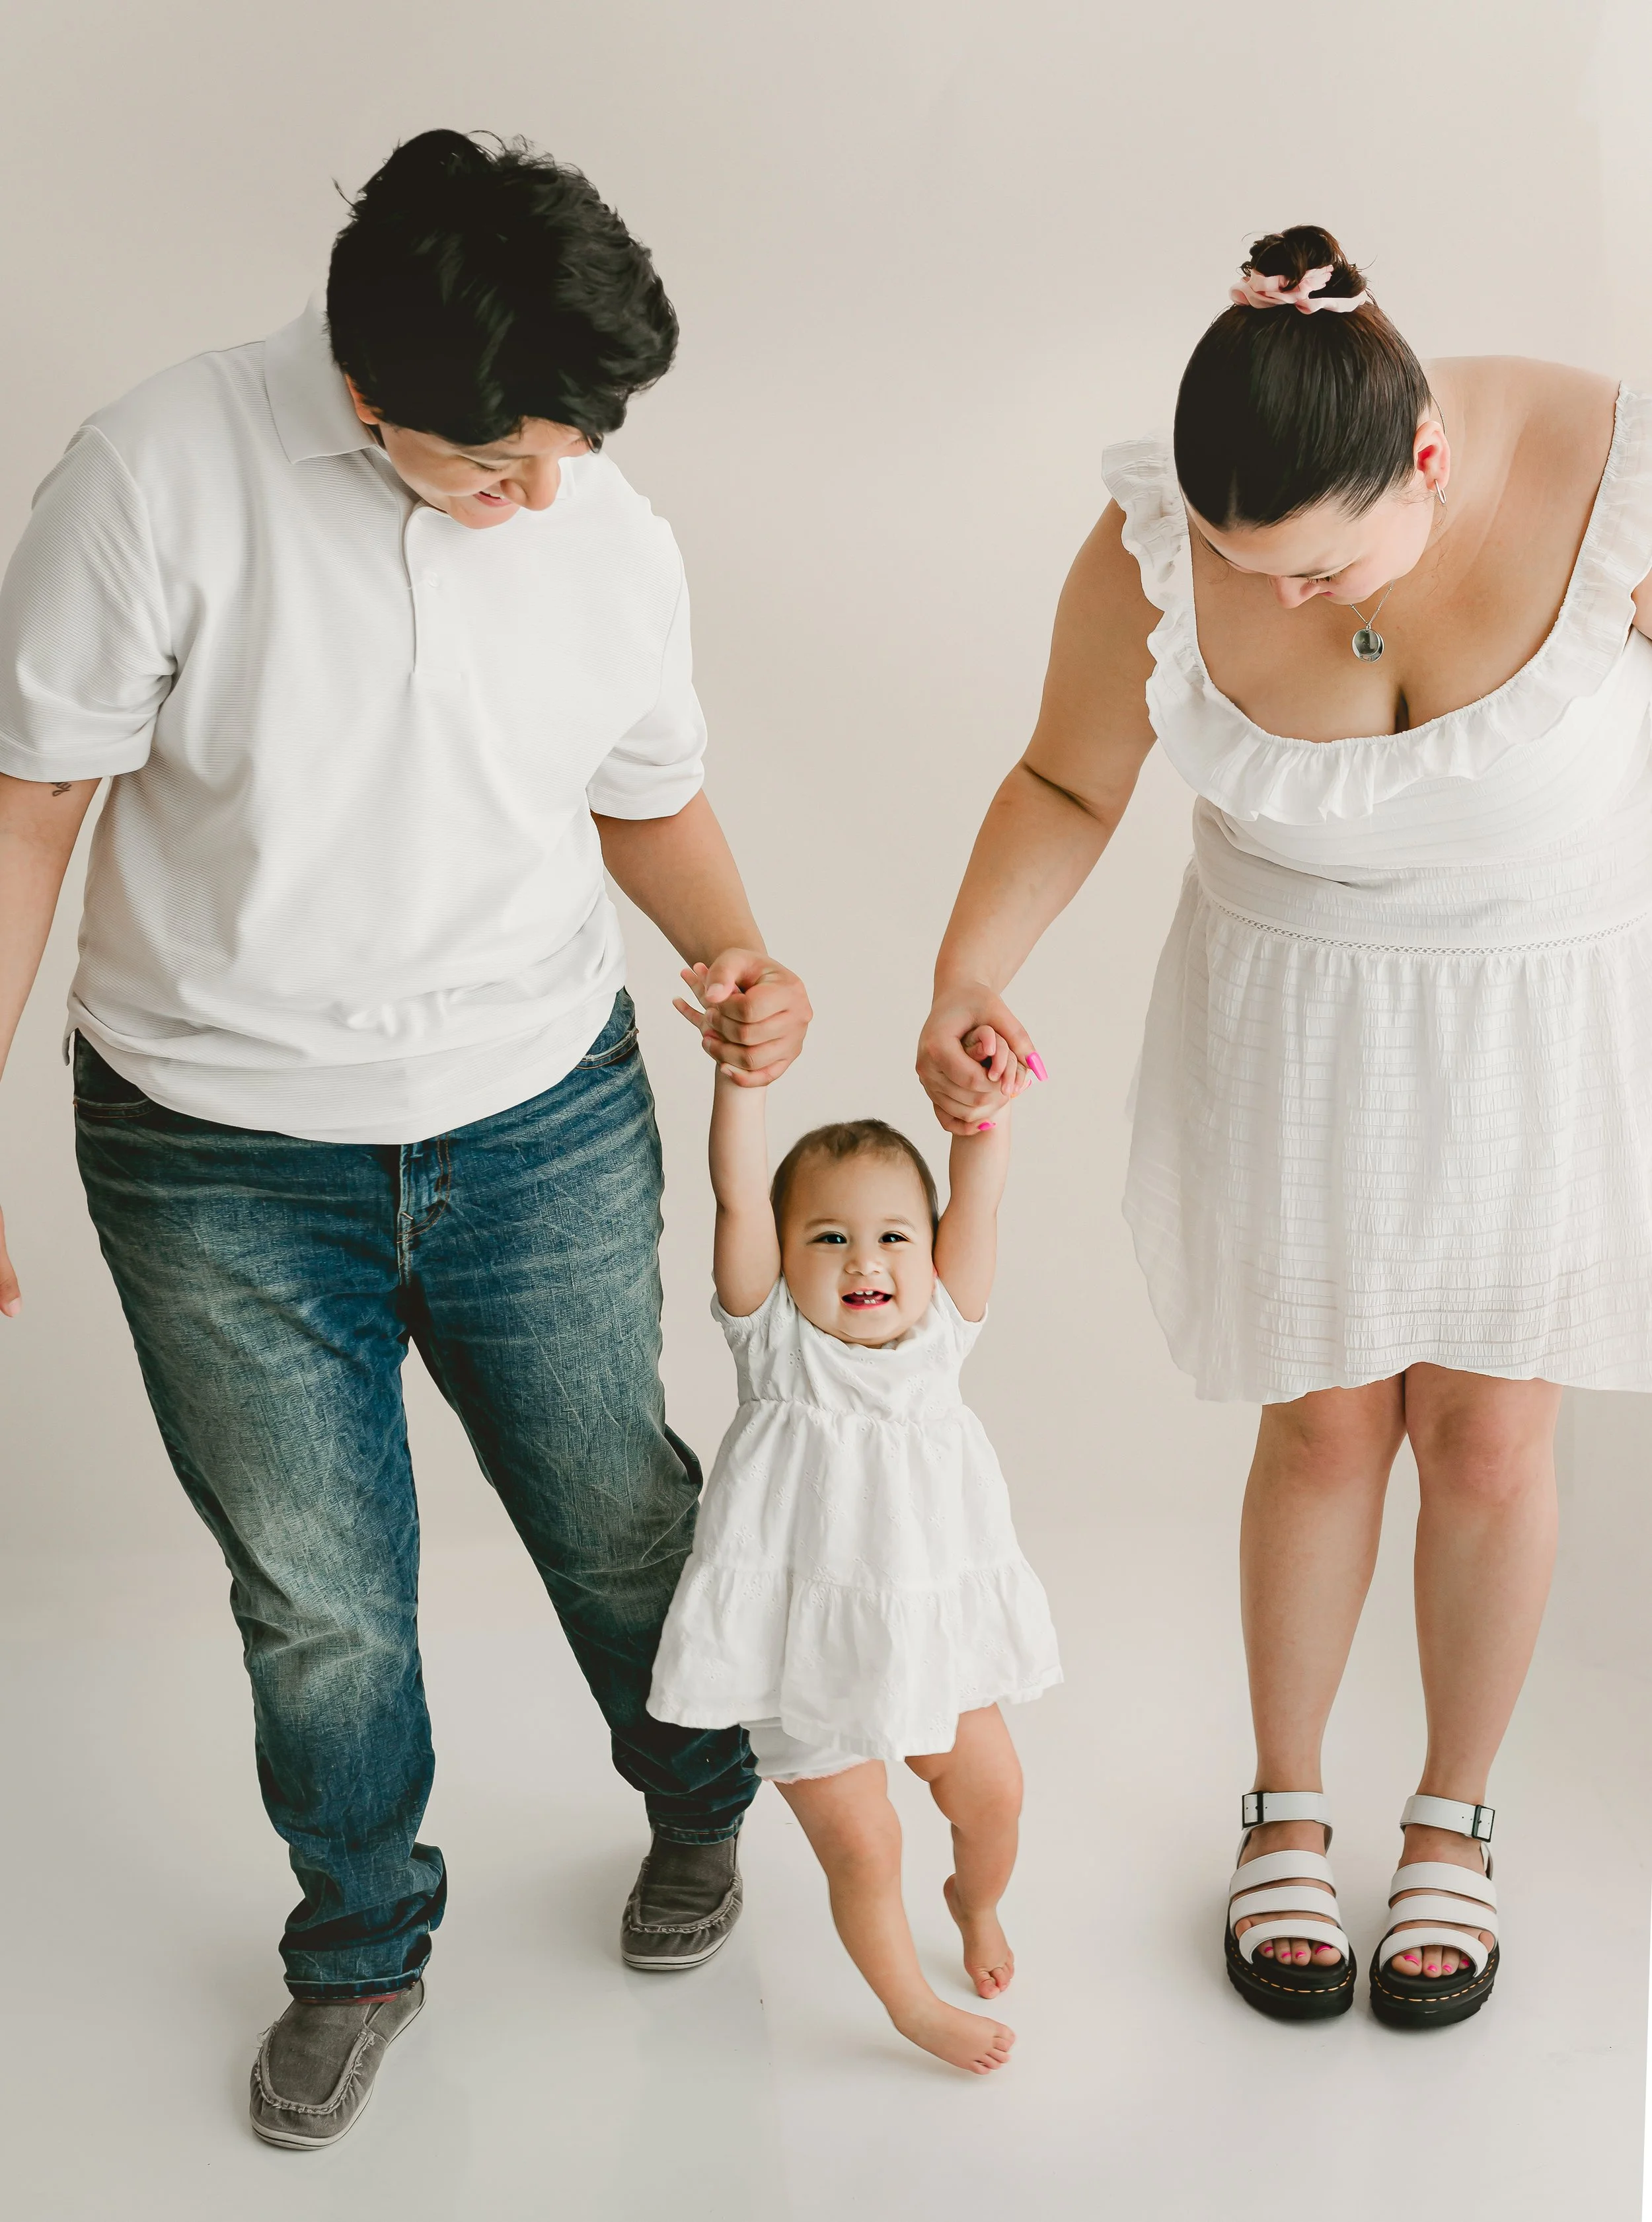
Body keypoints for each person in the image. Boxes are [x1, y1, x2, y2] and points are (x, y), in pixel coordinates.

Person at [0, 129, 811, 2146]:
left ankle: (700, 1807)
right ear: (370, 395)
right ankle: (360, 1944)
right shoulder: (152, 479)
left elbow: (645, 789)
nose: (544, 495)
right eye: (498, 463)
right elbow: (32, 812)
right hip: (218, 1150)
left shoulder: (598, 516)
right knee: (321, 1591)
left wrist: (733, 948)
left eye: (568, 451)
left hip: (538, 1111)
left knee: (619, 1507)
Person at [917, 223, 1652, 2029]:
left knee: (1488, 1433)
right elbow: (1070, 773)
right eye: (1257, 570)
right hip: (1299, 1028)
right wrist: (964, 975)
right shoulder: (1159, 540)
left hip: (1529, 1024)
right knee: (1320, 1428)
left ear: (1424, 460)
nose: (1294, 603)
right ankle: (1287, 1801)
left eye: (1321, 566)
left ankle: (1453, 1824)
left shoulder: (1604, 469)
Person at [647, 985, 1061, 2073]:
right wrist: (743, 1085)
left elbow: (983, 1190)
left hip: (931, 1630)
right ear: (784, 1256)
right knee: (862, 1843)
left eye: (891, 1235)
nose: (865, 1261)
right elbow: (736, 1192)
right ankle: (909, 2005)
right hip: (800, 1650)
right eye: (828, 1236)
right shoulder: (773, 1341)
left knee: (994, 1793)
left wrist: (987, 1106)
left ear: (928, 1251)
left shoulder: (941, 1335)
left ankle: (973, 1901)